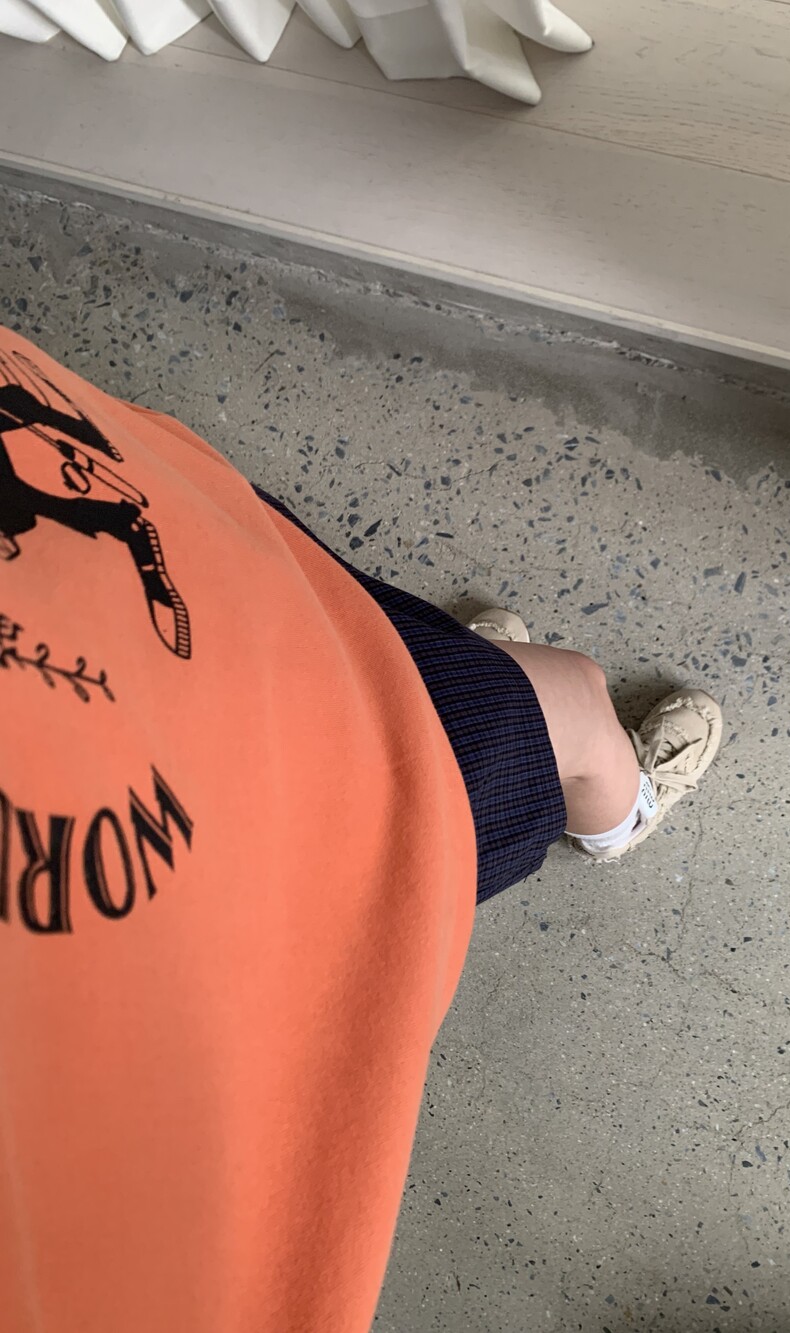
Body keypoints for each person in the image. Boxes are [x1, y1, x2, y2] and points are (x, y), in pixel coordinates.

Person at [0, 326, 721, 1333]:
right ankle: (614, 811)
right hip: (234, 769)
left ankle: (460, 681)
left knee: (367, 627)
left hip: (175, 601)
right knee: (561, 703)